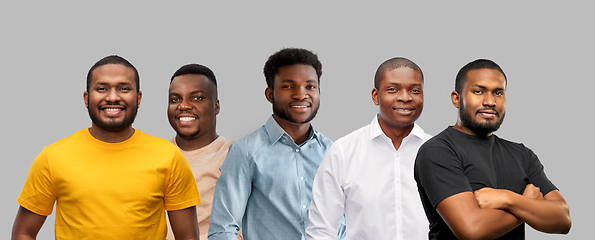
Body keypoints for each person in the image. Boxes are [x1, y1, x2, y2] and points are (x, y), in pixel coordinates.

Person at [12, 55, 201, 240]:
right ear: (86, 98)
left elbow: (187, 236)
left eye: (124, 88)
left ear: (138, 98)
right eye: (102, 88)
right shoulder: (52, 157)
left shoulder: (169, 156)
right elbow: (24, 233)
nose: (112, 97)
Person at [414, 59, 571, 239]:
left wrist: (509, 199)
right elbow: (472, 230)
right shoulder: (438, 151)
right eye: (479, 91)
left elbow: (563, 219)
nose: (490, 101)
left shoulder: (522, 155)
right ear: (456, 99)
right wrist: (530, 205)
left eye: (498, 93)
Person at [208, 48, 344, 240]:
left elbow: (345, 225)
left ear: (319, 92)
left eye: (310, 86)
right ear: (270, 94)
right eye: (289, 86)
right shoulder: (246, 151)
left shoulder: (333, 152)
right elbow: (222, 230)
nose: (301, 95)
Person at [306, 57, 431, 240]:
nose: (405, 97)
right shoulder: (344, 152)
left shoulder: (440, 152)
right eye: (392, 89)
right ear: (375, 96)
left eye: (415, 90)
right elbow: (321, 230)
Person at [164, 63, 242, 240]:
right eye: (175, 99)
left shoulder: (235, 154)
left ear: (216, 106)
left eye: (197, 98)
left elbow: (248, 224)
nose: (184, 106)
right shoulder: (156, 154)